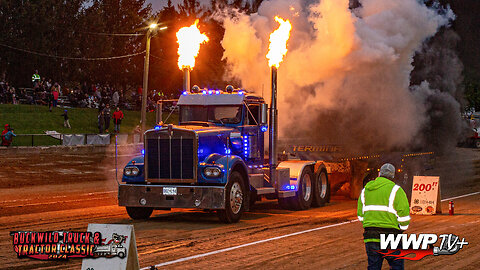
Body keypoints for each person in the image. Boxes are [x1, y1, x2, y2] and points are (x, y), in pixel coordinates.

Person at [357, 163, 410, 270]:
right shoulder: (396, 190)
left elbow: (361, 216)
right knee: (396, 266)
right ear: (393, 176)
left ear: (379, 173)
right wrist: (401, 229)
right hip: (391, 238)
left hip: (371, 237)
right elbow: (404, 216)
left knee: (373, 267)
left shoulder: (365, 191)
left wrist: (371, 224)